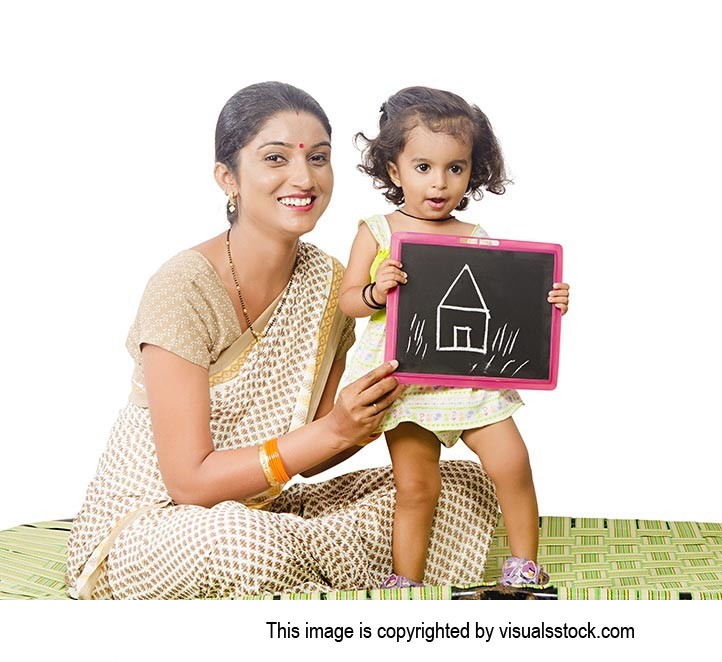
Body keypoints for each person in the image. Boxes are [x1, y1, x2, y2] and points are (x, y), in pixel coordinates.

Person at [65, 82, 500, 599]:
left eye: (319, 158)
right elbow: (189, 484)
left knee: (462, 488)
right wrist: (338, 428)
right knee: (238, 544)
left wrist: (371, 415)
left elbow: (315, 450)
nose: (304, 177)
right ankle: (314, 564)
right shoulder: (181, 287)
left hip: (266, 509)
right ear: (228, 178)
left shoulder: (328, 281)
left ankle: (310, 563)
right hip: (156, 524)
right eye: (276, 158)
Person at [339, 86, 570, 589]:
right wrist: (376, 292)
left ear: (473, 171)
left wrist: (546, 302)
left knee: (512, 463)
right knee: (417, 486)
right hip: (407, 376)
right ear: (394, 171)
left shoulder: (475, 236)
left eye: (456, 168)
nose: (440, 183)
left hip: (471, 377)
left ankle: (524, 562)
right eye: (423, 167)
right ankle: (406, 580)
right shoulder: (378, 231)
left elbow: (505, 307)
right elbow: (348, 300)